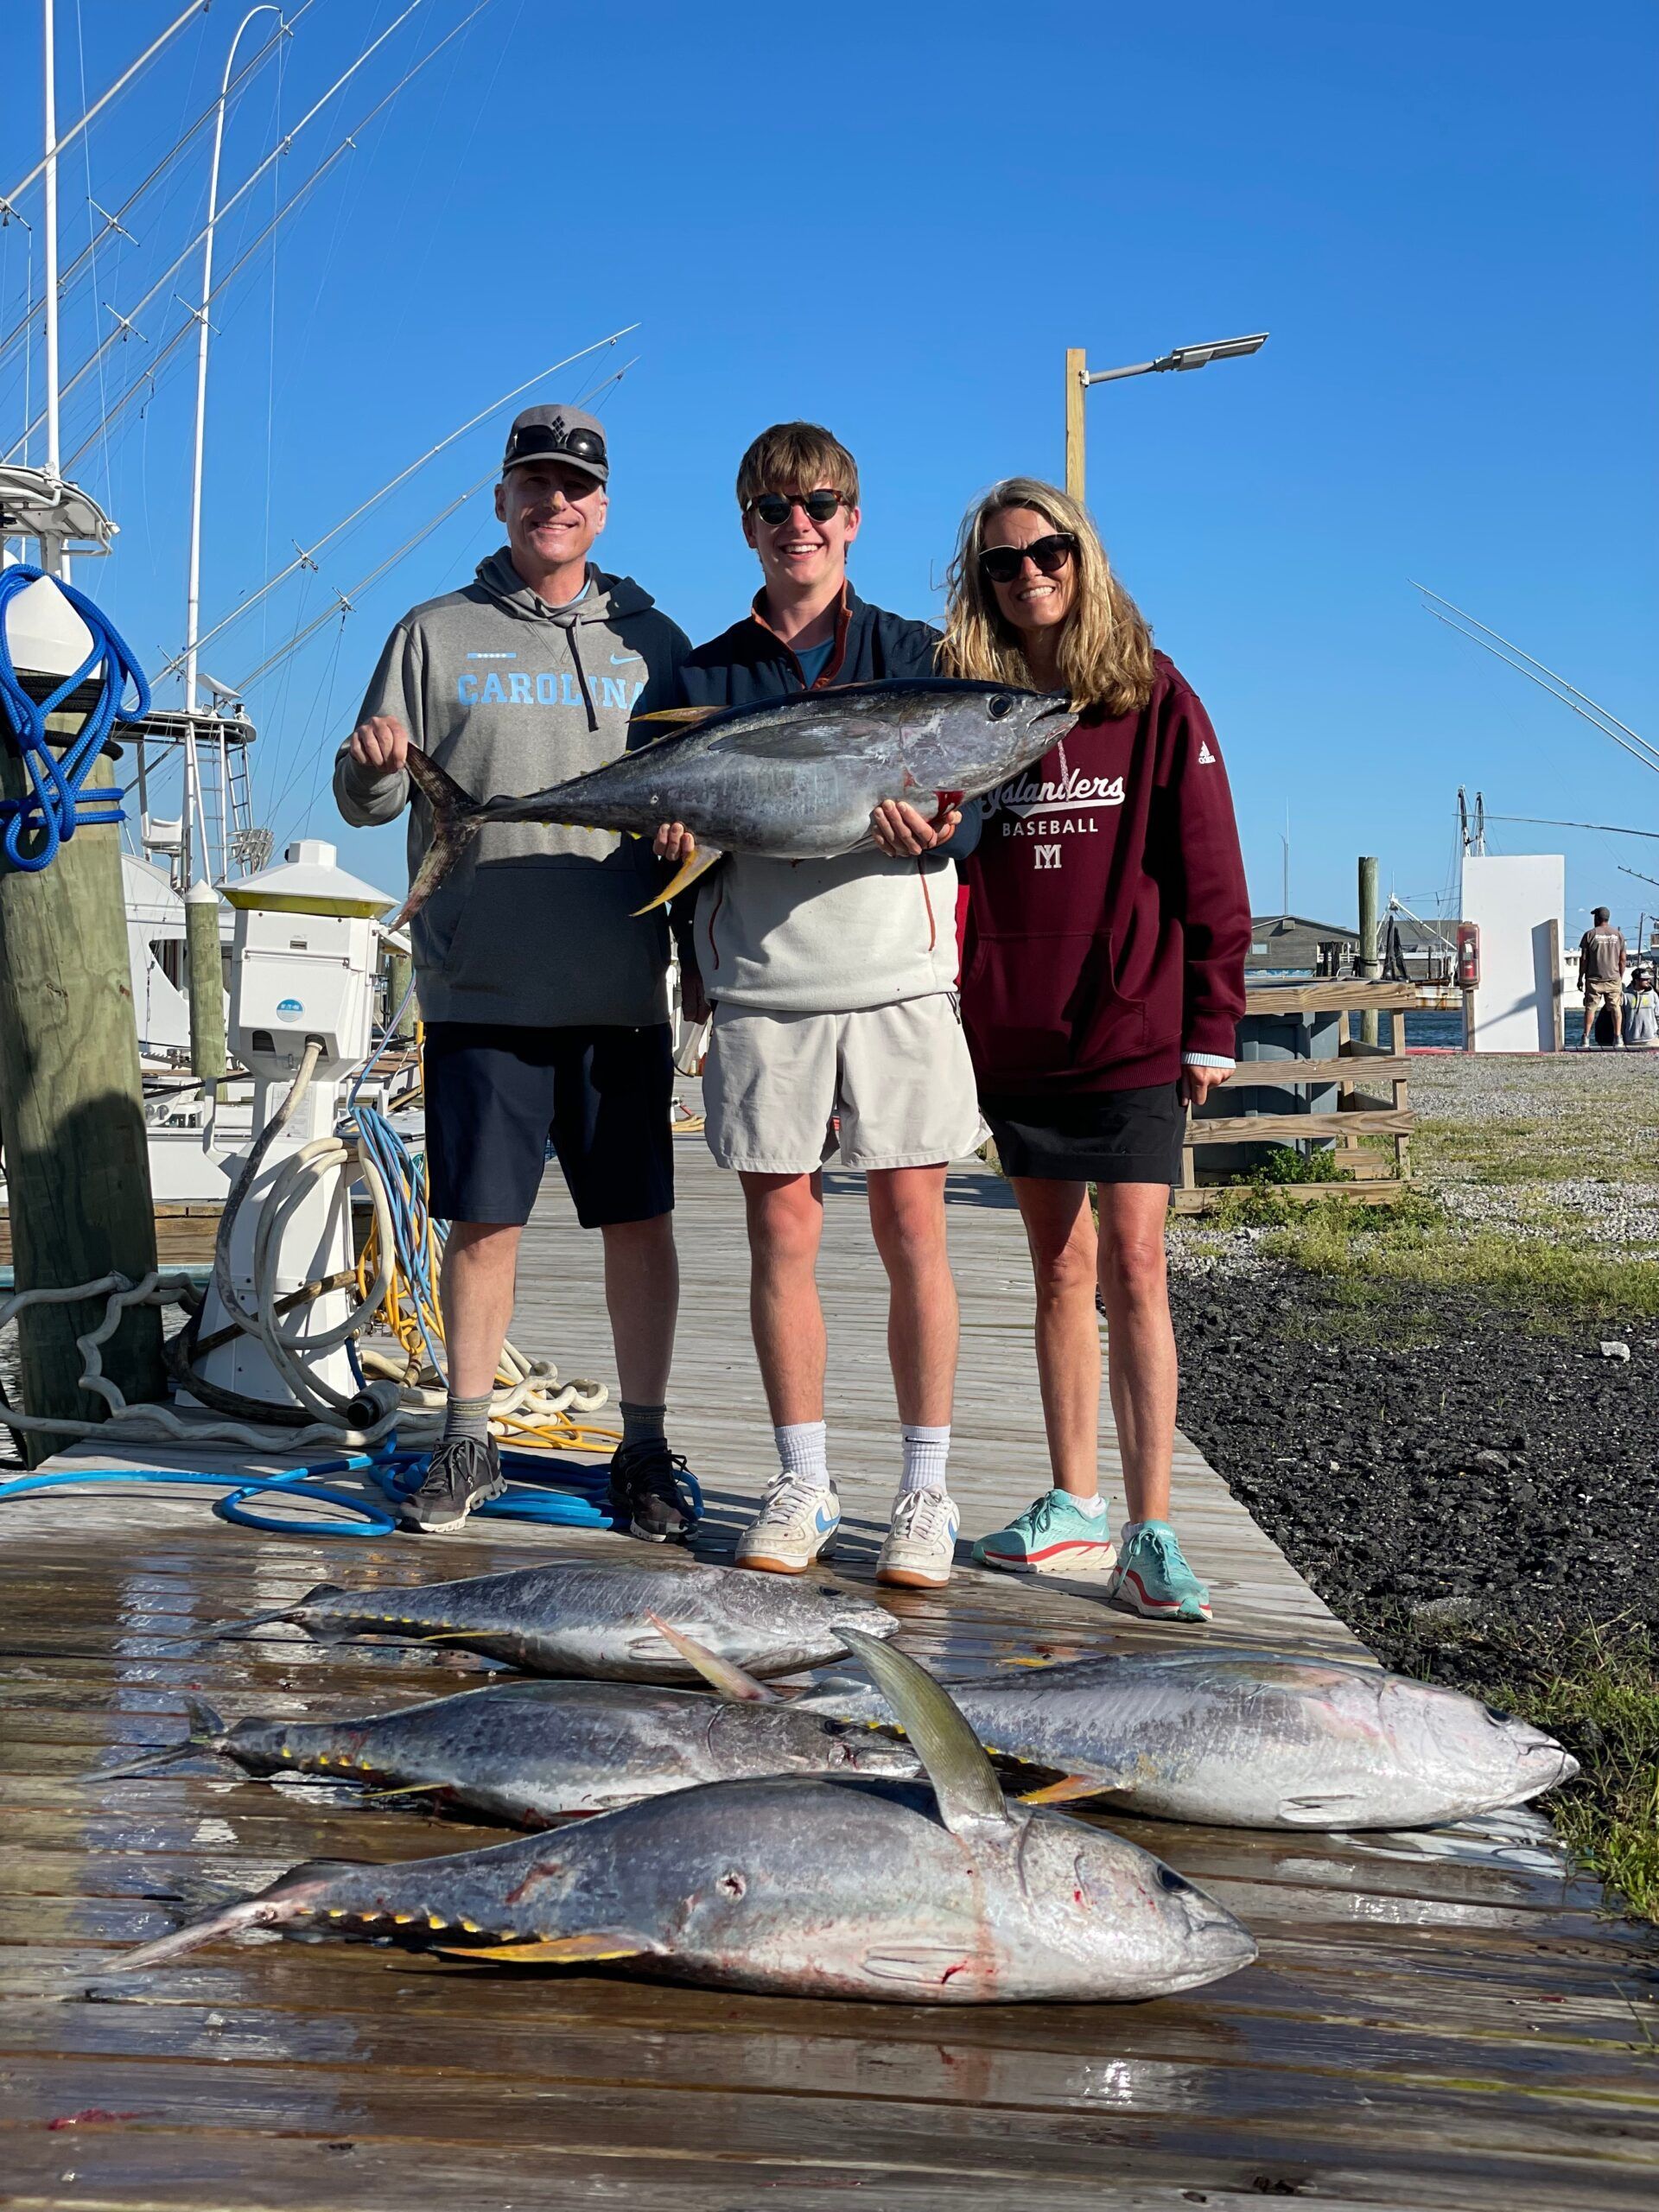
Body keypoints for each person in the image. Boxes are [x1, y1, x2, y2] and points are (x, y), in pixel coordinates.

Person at [334, 404, 701, 1540]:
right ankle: (465, 1440)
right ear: (501, 499)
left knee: (637, 1222)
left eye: (576, 487)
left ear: (602, 506)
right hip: (483, 983)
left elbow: (696, 797)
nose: (556, 503)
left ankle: (643, 1445)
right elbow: (368, 798)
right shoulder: (433, 633)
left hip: (621, 986)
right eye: (535, 484)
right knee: (482, 1223)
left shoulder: (659, 641)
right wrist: (368, 768)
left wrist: (689, 838)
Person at [654, 422, 977, 1590]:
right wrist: (671, 856)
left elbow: (971, 801)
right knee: (780, 1234)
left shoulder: (916, 652)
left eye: (822, 504)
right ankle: (802, 1478)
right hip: (764, 990)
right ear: (747, 523)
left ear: (854, 518)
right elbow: (666, 853)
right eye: (776, 507)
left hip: (897, 980)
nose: (801, 524)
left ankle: (926, 1490)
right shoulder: (701, 675)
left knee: (914, 1231)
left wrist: (944, 827)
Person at [935, 477, 1249, 1623]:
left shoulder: (1153, 696)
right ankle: (1073, 1504)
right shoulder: (972, 709)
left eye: (1047, 554)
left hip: (1129, 1028)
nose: (1029, 576)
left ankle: (1151, 1528)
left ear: (1085, 558)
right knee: (1057, 1271)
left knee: (1135, 1266)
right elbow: (952, 872)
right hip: (1016, 1031)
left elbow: (1211, 869)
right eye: (1003, 565)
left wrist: (1213, 1018)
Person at [1580, 909, 1628, 1049]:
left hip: (1594, 979)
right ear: (1607, 918)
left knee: (1590, 1008)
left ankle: (1586, 1037)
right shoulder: (1618, 935)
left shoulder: (1590, 934)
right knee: (1615, 1008)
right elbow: (1623, 959)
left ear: (1596, 918)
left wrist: (1580, 977)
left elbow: (1584, 959)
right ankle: (1618, 1037)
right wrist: (1620, 975)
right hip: (1613, 978)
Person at [1624, 964, 1658, 1047]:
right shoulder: (1625, 996)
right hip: (1630, 1039)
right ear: (1636, 980)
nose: (1649, 981)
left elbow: (1658, 1015)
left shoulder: (1653, 995)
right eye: (1645, 979)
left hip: (1651, 1039)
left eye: (1648, 979)